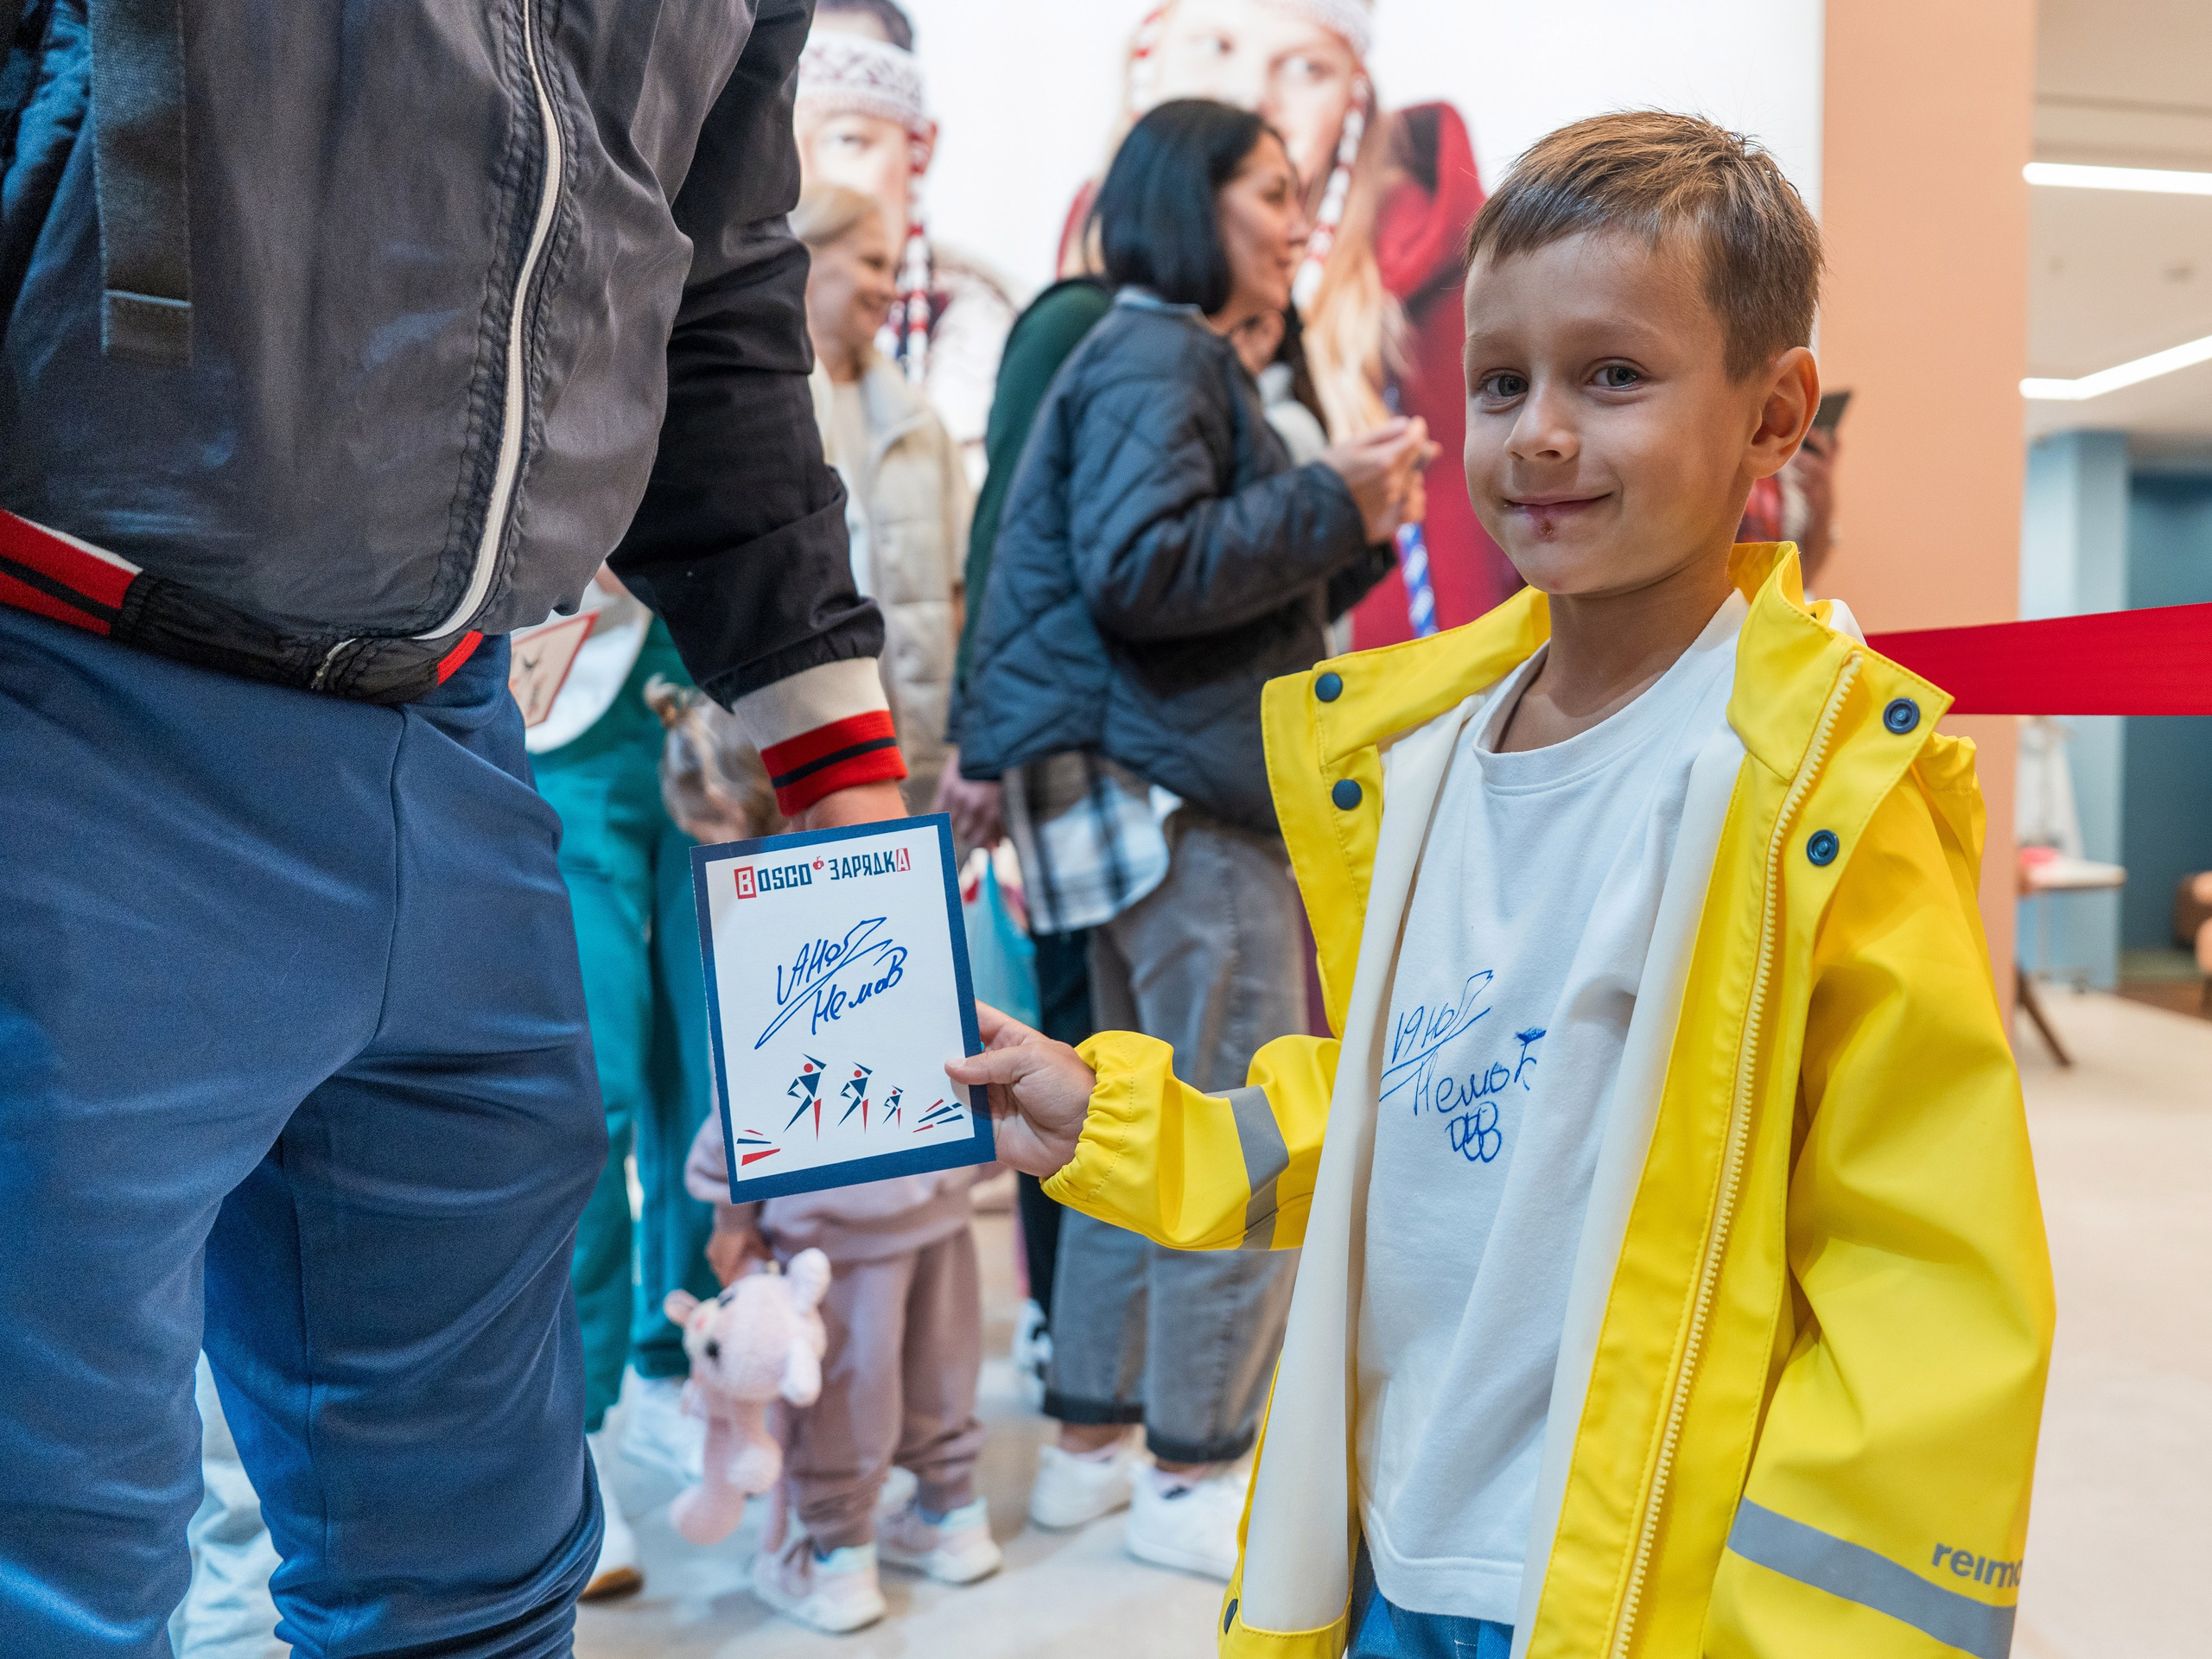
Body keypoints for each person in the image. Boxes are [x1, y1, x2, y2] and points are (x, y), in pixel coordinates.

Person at [956, 111, 2054, 1657]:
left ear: (1774, 414)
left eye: (1613, 376)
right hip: (1387, 1553)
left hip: (1619, 1590)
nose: (1539, 431)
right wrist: (1126, 1123)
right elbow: (1411, 1109)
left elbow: (1922, 1277)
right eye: (1500, 381)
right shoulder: (1418, 753)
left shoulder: (1818, 788)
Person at [0, 4, 910, 1654]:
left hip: (458, 730)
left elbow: (707, 284)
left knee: (479, 1562)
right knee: (48, 1562)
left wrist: (835, 752)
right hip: (70, 685)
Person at [960, 98, 1432, 1582]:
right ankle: (1193, 1467)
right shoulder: (1168, 350)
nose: (1302, 225)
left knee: (1118, 1115)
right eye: (1273, 194)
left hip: (1118, 799)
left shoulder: (1137, 351)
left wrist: (1340, 520)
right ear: (1189, 200)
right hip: (1178, 798)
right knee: (1239, 1126)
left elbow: (1170, 570)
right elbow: (1147, 567)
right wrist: (1327, 496)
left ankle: (1099, 1453)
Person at [1061, 0, 1513, 641]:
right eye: (1214, 45)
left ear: (1353, 100)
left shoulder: (1459, 292)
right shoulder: (1086, 285)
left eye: (1305, 67)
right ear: (1148, 58)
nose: (1252, 92)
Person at [520, 566, 725, 1601]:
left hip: (715, 692)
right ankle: (579, 1423)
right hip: (557, 703)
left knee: (717, 1071)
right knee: (587, 1085)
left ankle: (680, 1360)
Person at [683, 1116, 999, 1636]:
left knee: (842, 1384)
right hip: (940, 1168)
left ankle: (839, 1561)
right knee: (942, 1356)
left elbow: (749, 1075)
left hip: (829, 1200)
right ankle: (952, 1516)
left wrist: (732, 1209)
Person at [795, 183, 973, 817]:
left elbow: (959, 596)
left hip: (910, 761)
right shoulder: (749, 425)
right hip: (789, 761)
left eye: (895, 269)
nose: (890, 288)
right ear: (804, 256)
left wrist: (965, 738)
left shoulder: (922, 426)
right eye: (872, 263)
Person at [796, 0, 1019, 485]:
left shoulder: (984, 332)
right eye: (779, 140)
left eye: (846, 140)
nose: (803, 178)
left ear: (920, 149)